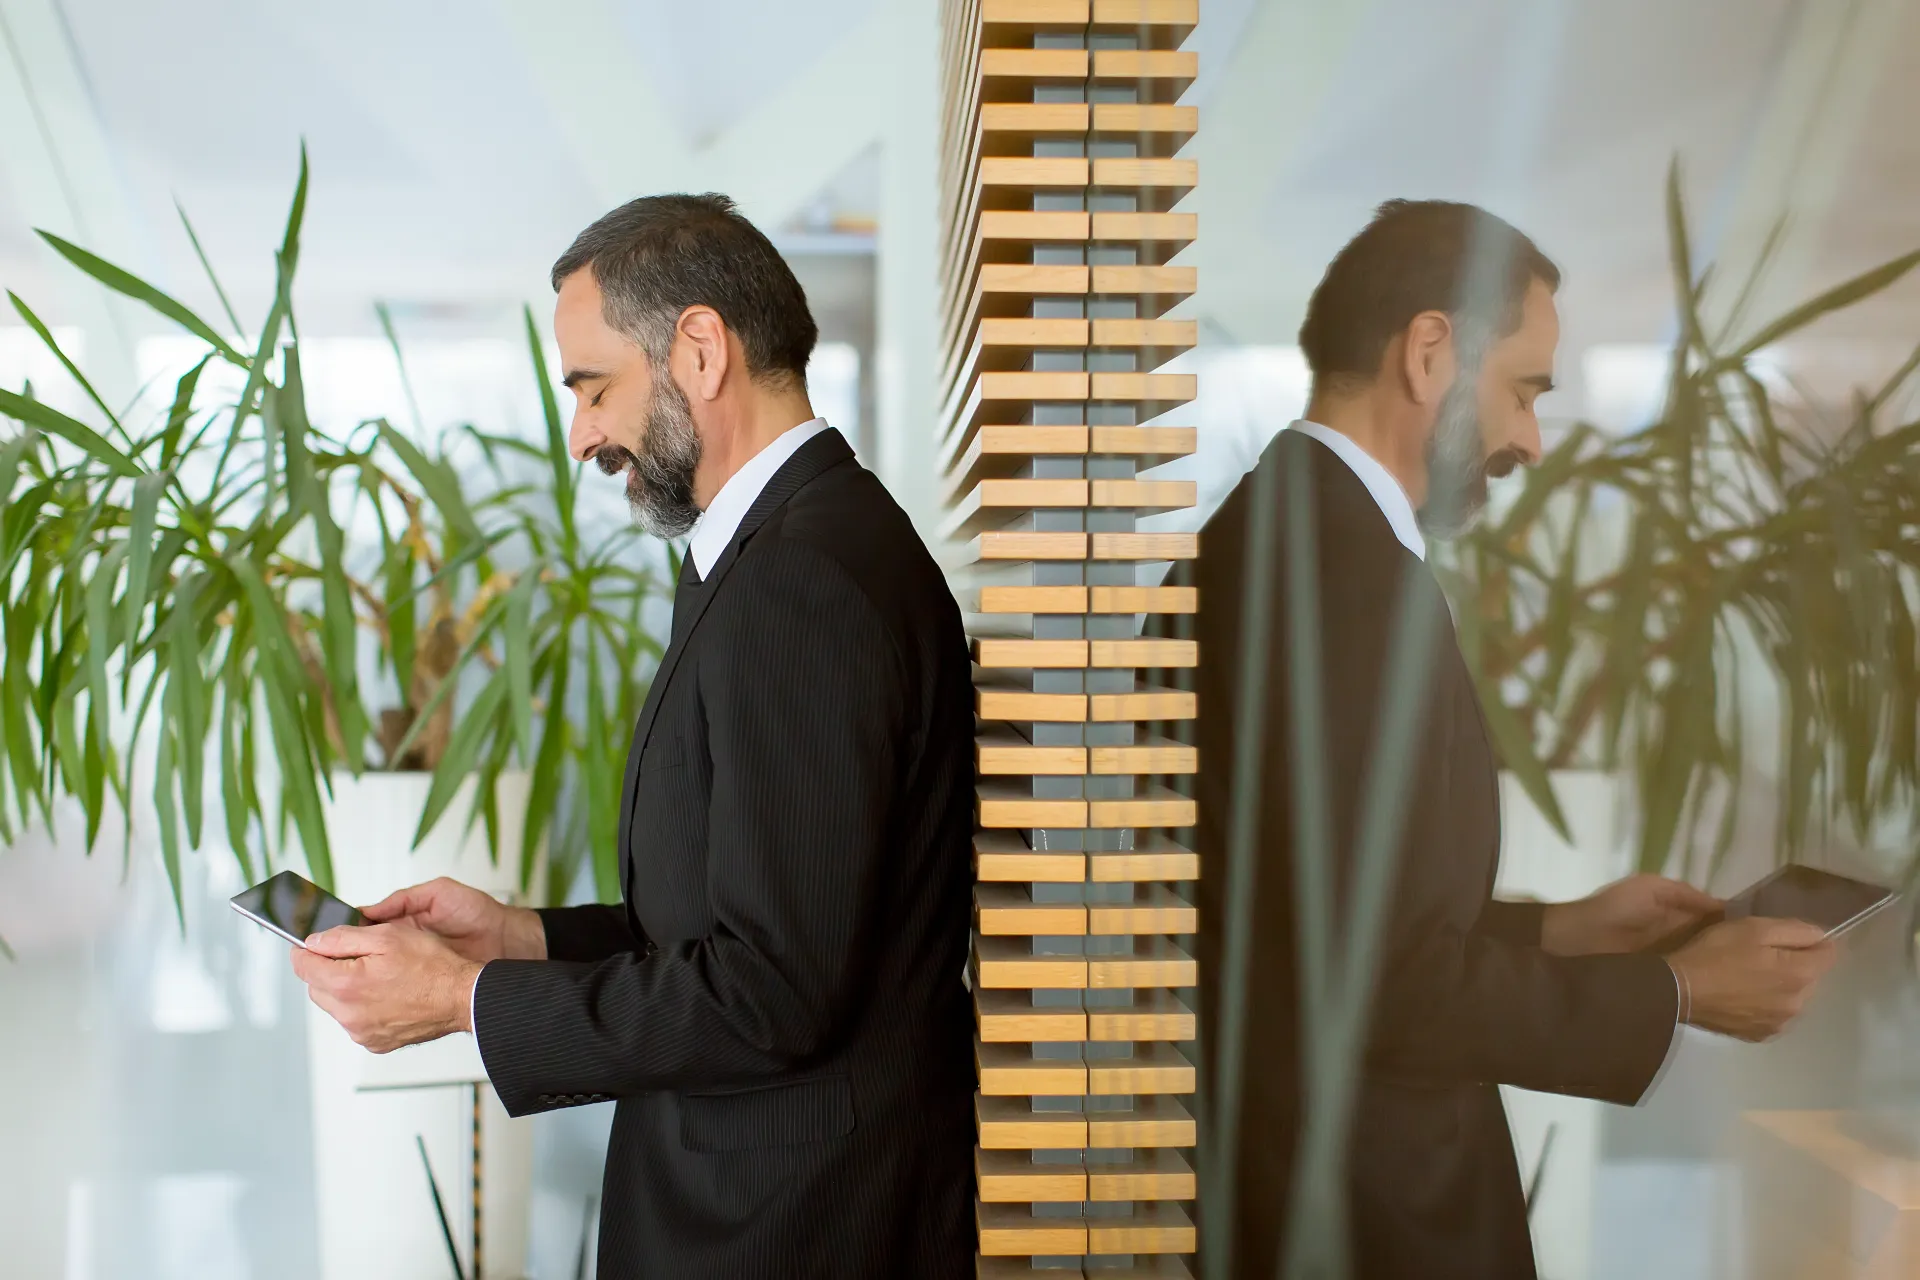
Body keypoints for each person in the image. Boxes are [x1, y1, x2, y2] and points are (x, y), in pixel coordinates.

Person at [290, 193, 975, 1279]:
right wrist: (518, 940)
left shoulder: (800, 576)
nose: (581, 435)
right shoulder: (773, 551)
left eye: (594, 386)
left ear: (701, 350)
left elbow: (772, 989)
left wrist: (462, 1000)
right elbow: (742, 914)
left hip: (790, 1228)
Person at [1186, 199, 1838, 1279]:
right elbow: (1376, 984)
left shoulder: (1279, 534)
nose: (1530, 441)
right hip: (1366, 1215)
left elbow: (1318, 923)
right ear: (1431, 352)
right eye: (1526, 390)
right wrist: (1678, 991)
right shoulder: (1347, 580)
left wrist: (1566, 931)